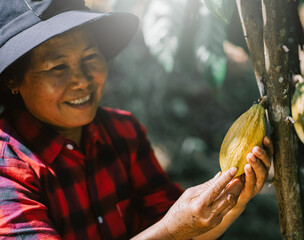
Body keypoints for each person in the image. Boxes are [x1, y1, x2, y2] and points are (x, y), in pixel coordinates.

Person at [0, 1, 274, 239]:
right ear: (13, 78)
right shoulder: (7, 168)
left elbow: (186, 231)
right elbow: (173, 231)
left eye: (90, 57)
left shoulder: (122, 132)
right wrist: (171, 230)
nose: (82, 80)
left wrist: (235, 200)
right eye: (58, 67)